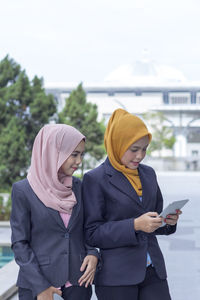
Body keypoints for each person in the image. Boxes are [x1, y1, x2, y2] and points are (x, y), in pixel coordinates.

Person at [82, 109, 181, 300]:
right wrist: (134, 225)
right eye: (134, 149)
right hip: (117, 277)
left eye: (144, 149)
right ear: (118, 144)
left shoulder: (148, 174)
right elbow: (92, 233)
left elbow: (153, 220)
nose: (140, 156)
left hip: (154, 272)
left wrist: (167, 221)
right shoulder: (95, 179)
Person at [10, 124, 99, 300]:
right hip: (39, 287)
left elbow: (88, 228)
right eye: (74, 154)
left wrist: (93, 253)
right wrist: (40, 287)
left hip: (78, 284)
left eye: (81, 154)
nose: (79, 161)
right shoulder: (23, 190)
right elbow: (20, 243)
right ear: (53, 151)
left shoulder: (79, 187)